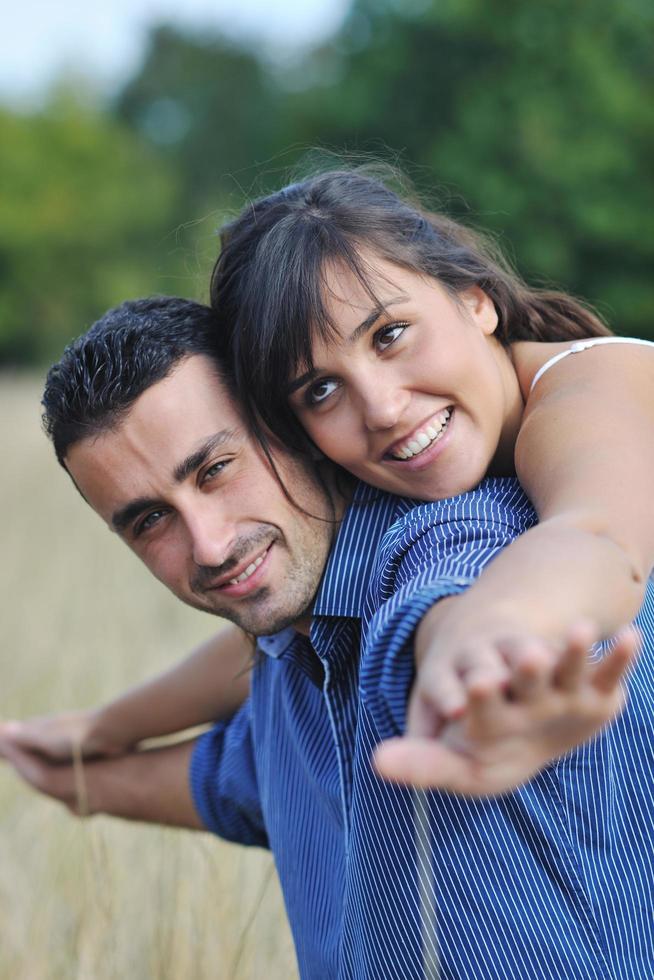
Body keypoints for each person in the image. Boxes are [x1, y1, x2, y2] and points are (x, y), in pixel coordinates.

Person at [2, 296, 653, 979]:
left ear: (293, 427)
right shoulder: (292, 649)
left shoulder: (462, 544)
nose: (211, 544)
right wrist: (71, 768)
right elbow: (242, 781)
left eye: (216, 470)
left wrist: (473, 664)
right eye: (149, 521)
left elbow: (453, 613)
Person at [208, 166, 654, 781]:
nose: (383, 408)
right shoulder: (384, 487)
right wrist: (100, 731)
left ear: (474, 300)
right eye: (322, 390)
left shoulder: (590, 391)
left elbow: (597, 535)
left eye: (389, 335)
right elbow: (287, 639)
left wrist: (491, 633)